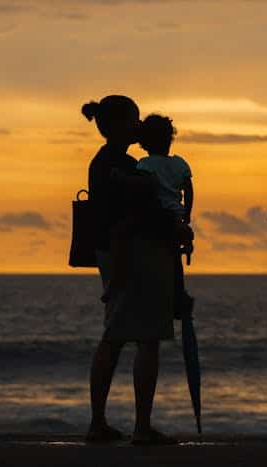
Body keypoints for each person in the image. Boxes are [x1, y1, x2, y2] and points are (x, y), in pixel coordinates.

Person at [82, 95, 188, 446]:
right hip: (134, 257)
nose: (138, 126)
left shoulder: (113, 162)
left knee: (117, 335)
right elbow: (143, 211)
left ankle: (101, 423)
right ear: (115, 126)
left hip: (119, 255)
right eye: (134, 120)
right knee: (143, 339)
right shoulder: (124, 166)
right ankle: (139, 426)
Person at [134, 113, 195, 315]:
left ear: (144, 143)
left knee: (154, 257)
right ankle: (178, 295)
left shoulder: (144, 165)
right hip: (177, 218)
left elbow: (144, 192)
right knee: (174, 259)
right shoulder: (180, 164)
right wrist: (186, 213)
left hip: (156, 220)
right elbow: (189, 189)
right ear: (170, 138)